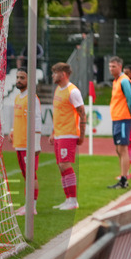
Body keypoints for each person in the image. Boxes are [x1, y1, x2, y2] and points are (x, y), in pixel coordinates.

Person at [47, 62, 86, 210]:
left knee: (65, 165)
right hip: (59, 134)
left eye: (54, 72)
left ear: (62, 74)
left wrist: (81, 135)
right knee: (61, 166)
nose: (52, 75)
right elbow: (59, 113)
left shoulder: (73, 91)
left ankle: (73, 201)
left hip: (68, 134)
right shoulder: (58, 89)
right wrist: (53, 132)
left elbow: (82, 114)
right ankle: (68, 199)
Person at [9, 68, 41, 215]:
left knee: (31, 175)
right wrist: (12, 130)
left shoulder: (32, 98)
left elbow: (37, 121)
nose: (19, 80)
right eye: (17, 77)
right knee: (25, 175)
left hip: (28, 144)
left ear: (29, 80)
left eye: (22, 77)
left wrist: (36, 143)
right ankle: (28, 204)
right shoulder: (18, 97)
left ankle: (32, 206)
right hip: (19, 143)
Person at [107, 56, 131, 189]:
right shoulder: (116, 81)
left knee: (123, 149)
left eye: (113, 66)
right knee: (118, 149)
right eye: (109, 66)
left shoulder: (124, 81)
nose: (111, 69)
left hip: (124, 119)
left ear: (120, 67)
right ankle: (122, 177)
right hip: (117, 119)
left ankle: (124, 180)